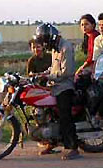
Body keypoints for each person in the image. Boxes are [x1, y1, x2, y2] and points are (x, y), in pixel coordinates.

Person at [35, 23, 80, 160]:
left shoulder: (66, 47)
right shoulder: (55, 48)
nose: (44, 45)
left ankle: (72, 147)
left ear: (51, 38)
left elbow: (67, 72)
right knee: (48, 114)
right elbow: (53, 68)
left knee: (64, 115)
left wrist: (48, 77)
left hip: (65, 86)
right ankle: (50, 142)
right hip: (54, 85)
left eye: (45, 41)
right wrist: (40, 74)